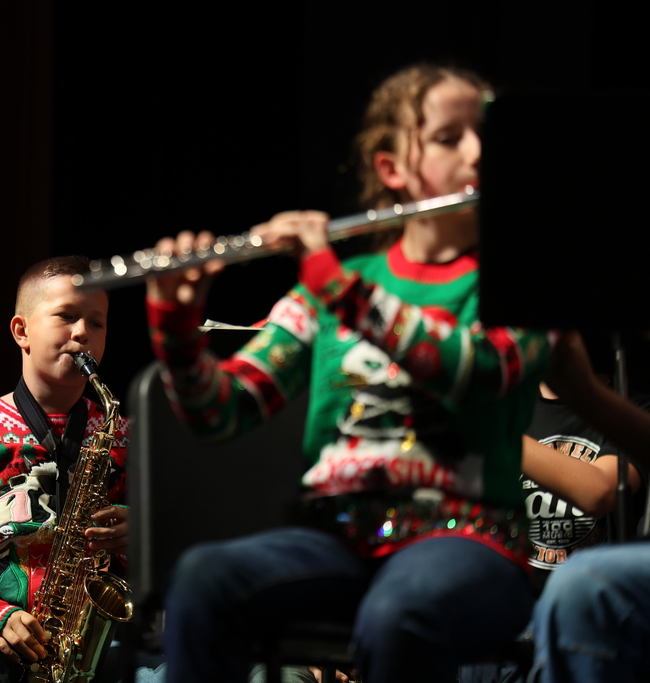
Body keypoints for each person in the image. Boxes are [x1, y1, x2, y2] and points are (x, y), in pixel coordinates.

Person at [145, 64, 554, 683]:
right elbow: (221, 410)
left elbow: (477, 370)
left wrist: (336, 285)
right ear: (393, 169)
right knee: (202, 580)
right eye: (450, 137)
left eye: (488, 134)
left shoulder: (520, 280)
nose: (479, 152)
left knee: (401, 612)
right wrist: (175, 325)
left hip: (471, 542)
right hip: (333, 539)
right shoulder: (324, 295)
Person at [0, 255, 163, 683]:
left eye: (97, 323)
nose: (82, 334)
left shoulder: (132, 437)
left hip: (101, 639)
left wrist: (146, 536)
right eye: (67, 316)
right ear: (21, 331)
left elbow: (183, 547)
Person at [525, 331, 650, 683]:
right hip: (519, 602)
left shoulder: (630, 407)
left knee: (583, 585)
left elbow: (599, 492)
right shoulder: (516, 407)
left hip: (579, 598)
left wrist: (499, 438)